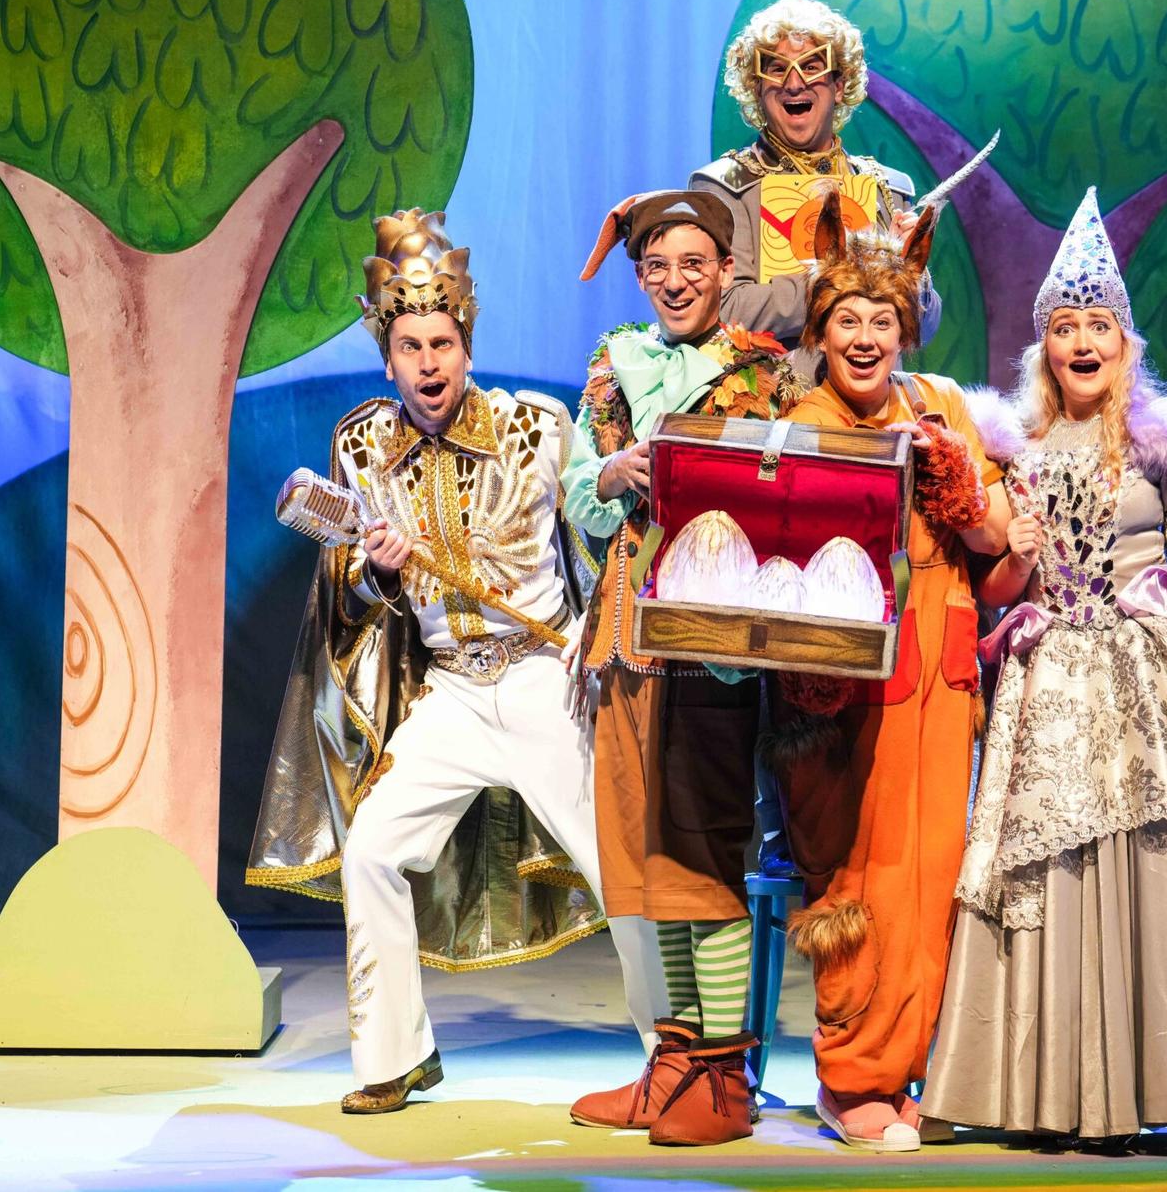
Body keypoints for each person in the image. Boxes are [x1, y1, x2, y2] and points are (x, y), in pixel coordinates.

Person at [921, 188, 1167, 1143]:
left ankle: (1145, 1082)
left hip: (1148, 687)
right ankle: (1045, 1091)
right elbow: (998, 587)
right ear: (1044, 348)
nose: (1082, 342)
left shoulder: (1162, 449)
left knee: (1148, 863)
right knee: (1047, 867)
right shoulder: (1012, 450)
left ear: (1125, 344)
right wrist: (1015, 556)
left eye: (1098, 325)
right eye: (1065, 327)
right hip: (1048, 686)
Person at [246, 209, 661, 1116]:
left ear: (466, 344)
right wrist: (377, 572)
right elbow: (351, 592)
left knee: (618, 864)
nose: (428, 363)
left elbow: (603, 536)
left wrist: (601, 642)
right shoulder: (361, 446)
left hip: (544, 677)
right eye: (410, 347)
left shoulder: (536, 426)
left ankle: (675, 1060)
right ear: (386, 358)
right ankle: (395, 1057)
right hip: (451, 690)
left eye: (441, 343)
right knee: (373, 850)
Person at [764, 191, 1009, 1152]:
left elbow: (993, 537)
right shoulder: (802, 415)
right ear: (820, 332)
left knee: (935, 875)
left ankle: (915, 1071)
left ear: (906, 328)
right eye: (847, 321)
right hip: (844, 685)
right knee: (861, 871)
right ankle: (853, 1076)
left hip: (940, 671)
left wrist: (955, 477)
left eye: (882, 321)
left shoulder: (941, 403)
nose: (865, 339)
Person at [564, 191, 804, 1146]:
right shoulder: (613, 363)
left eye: (694, 263)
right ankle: (674, 1059)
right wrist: (609, 474)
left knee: (703, 846)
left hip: (711, 642)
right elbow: (579, 493)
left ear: (726, 272)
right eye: (658, 266)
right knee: (645, 853)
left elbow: (789, 494)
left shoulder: (762, 371)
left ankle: (724, 1076)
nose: (675, 282)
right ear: (639, 278)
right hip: (626, 636)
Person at [692, 0, 942, 375]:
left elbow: (922, 329)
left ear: (839, 86)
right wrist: (835, 281)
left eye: (811, 66)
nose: (794, 84)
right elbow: (724, 308)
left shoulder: (886, 190)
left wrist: (911, 275)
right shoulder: (725, 189)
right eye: (776, 69)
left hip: (870, 405)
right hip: (771, 404)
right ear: (756, 88)